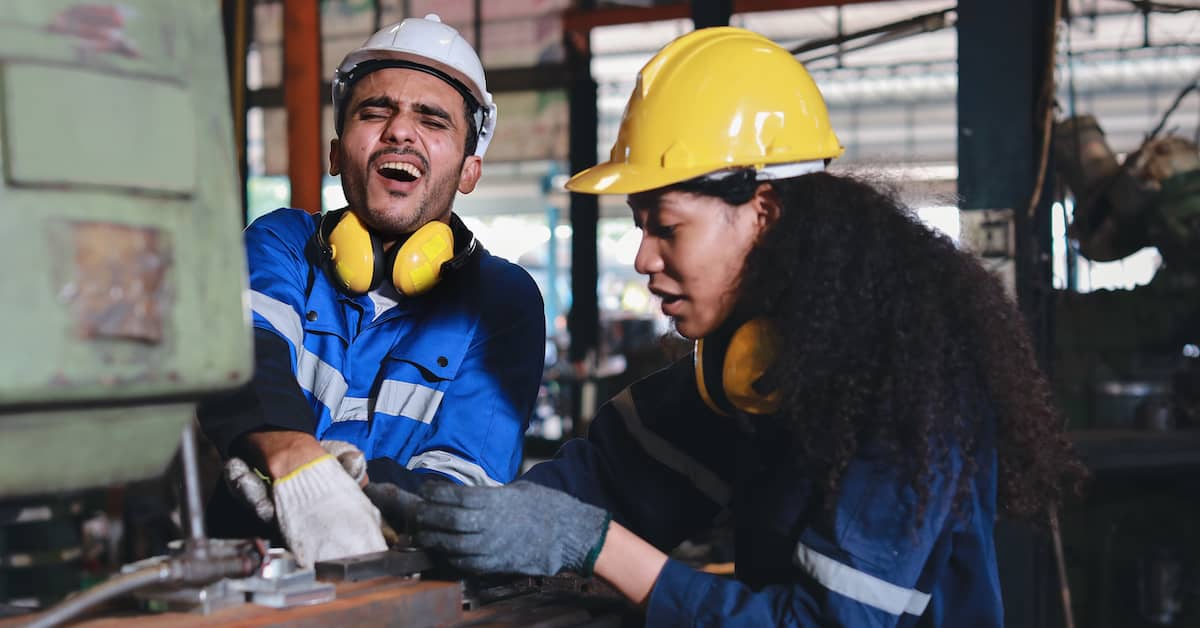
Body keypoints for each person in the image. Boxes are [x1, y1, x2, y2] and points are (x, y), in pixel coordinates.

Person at [407, 26, 1085, 626]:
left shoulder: (906, 390)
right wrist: (445, 517)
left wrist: (595, 544)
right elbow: (609, 478)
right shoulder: (748, 369)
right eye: (639, 227)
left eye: (666, 227)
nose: (643, 258)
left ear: (764, 212)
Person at [197, 14, 545, 567]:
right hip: (247, 579)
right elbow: (244, 355)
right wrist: (293, 455)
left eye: (433, 120)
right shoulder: (284, 245)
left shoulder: (502, 300)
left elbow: (464, 481)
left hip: (401, 593)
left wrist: (348, 490)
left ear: (469, 171)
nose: (400, 131)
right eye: (375, 111)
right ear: (337, 154)